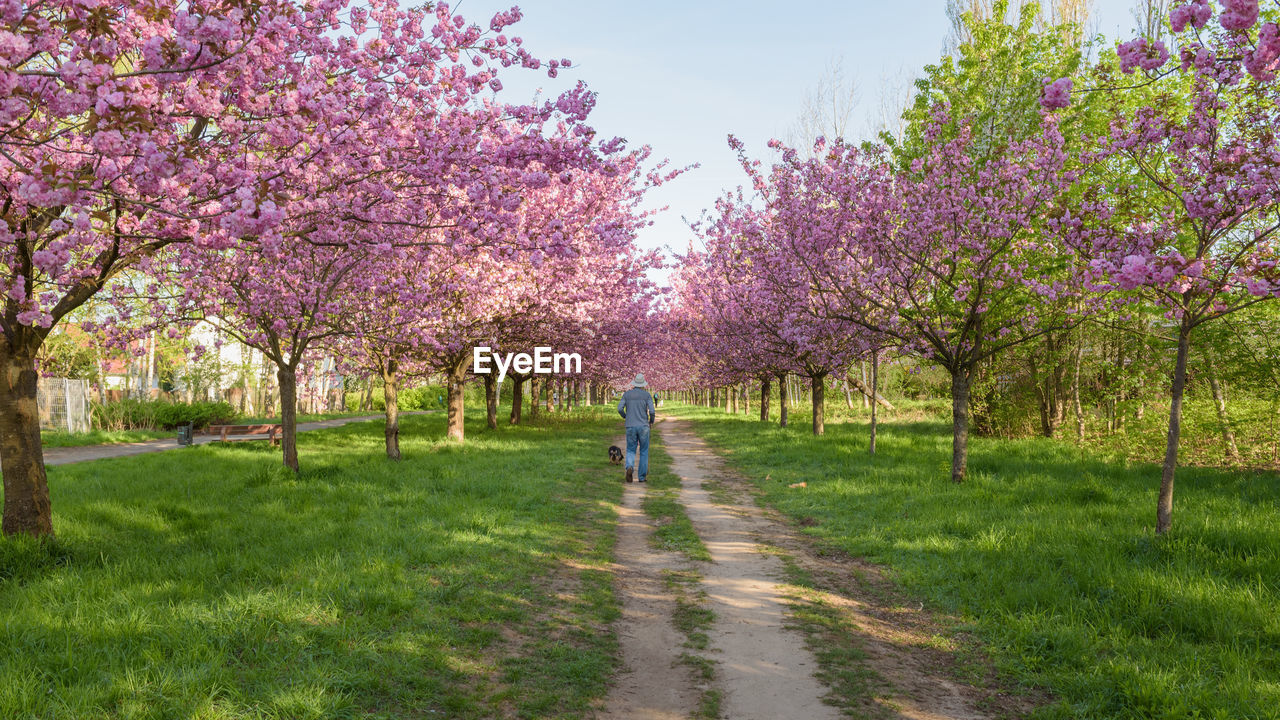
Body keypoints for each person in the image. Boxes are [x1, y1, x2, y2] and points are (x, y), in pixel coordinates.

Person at [617, 373, 656, 483]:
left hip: (630, 426)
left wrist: (625, 416)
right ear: (643, 384)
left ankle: (629, 467)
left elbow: (619, 408)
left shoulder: (627, 394)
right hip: (643, 426)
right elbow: (652, 411)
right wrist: (651, 421)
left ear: (634, 383)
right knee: (644, 451)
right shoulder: (647, 395)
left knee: (630, 449)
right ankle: (642, 477)